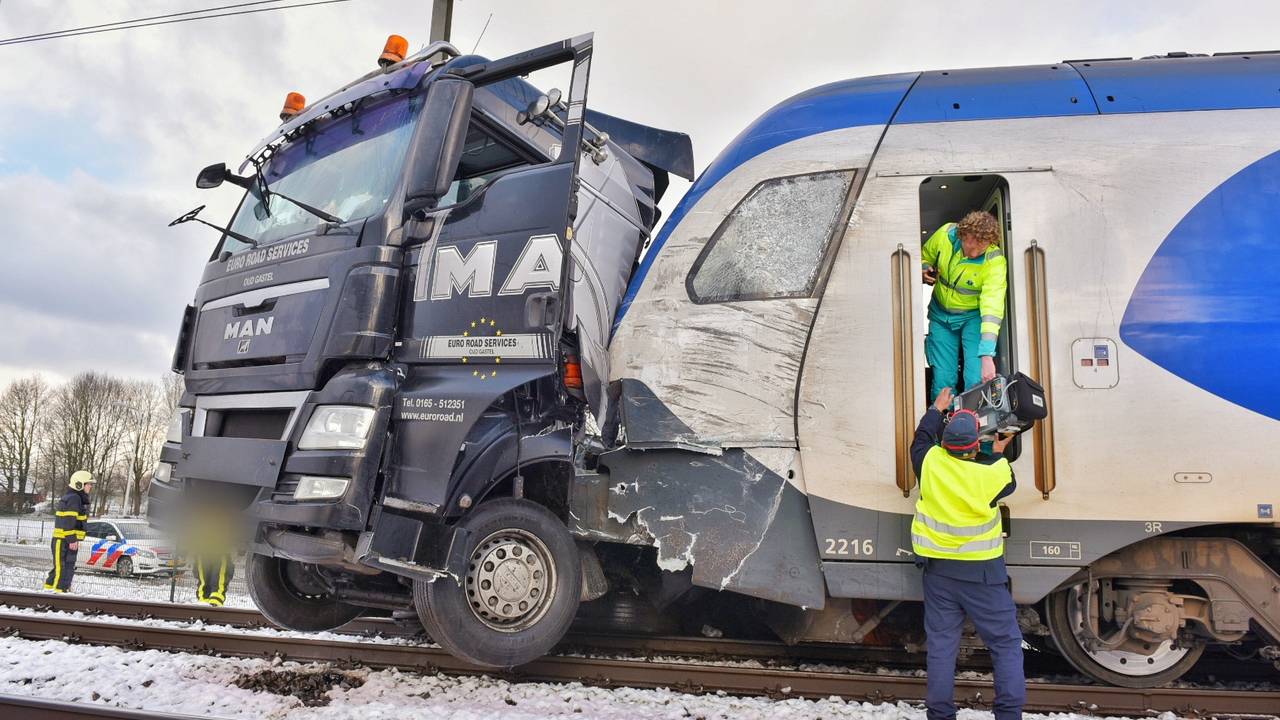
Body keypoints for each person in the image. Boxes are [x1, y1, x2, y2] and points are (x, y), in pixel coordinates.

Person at [910, 388, 1024, 720]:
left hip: (939, 574)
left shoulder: (928, 461)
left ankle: (941, 715)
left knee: (943, 648)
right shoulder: (996, 473)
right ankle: (1007, 714)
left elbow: (922, 437)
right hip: (984, 576)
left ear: (943, 445)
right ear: (976, 446)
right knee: (1004, 645)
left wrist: (936, 409)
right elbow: (1003, 477)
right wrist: (998, 450)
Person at [922, 211, 1007, 401]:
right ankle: (942, 420)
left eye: (981, 246)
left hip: (973, 318)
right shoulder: (945, 235)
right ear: (962, 234)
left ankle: (971, 422)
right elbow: (923, 255)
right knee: (943, 377)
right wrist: (923, 268)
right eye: (970, 243)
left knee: (977, 376)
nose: (974, 252)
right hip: (940, 315)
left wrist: (987, 355)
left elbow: (992, 309)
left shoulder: (994, 262)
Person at [44, 470, 93, 593]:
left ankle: (50, 592)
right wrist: (72, 539)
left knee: (64, 568)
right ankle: (56, 595)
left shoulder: (77, 498)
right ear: (79, 484)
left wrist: (74, 539)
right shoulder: (74, 498)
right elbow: (69, 520)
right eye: (88, 484)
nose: (90, 486)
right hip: (64, 541)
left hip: (68, 540)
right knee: (62, 569)